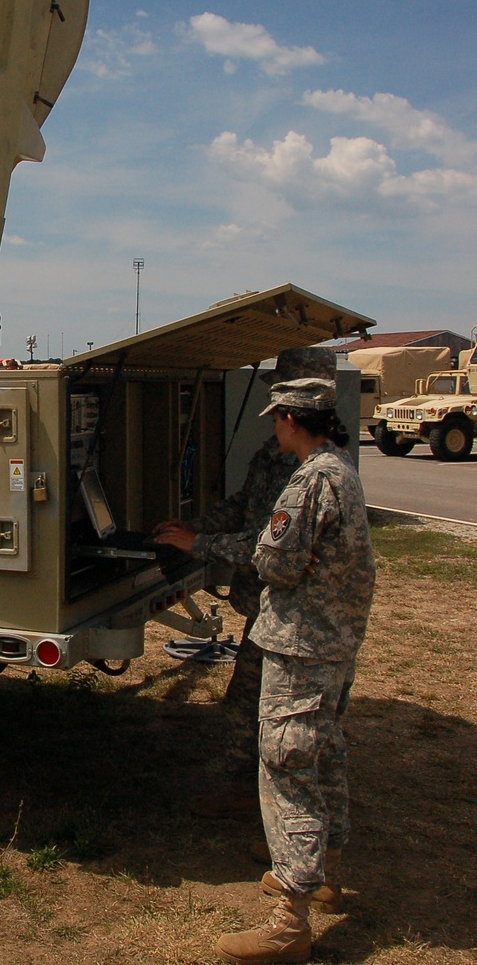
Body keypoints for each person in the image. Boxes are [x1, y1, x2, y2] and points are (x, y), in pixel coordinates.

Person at [216, 376, 375, 965]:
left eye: (276, 418)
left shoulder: (307, 482)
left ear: (289, 417)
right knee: (324, 751)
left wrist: (273, 554)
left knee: (286, 765)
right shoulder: (343, 469)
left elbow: (272, 562)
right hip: (333, 643)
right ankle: (327, 871)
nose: (273, 427)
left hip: (301, 645)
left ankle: (290, 917)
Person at [153, 347, 337, 816]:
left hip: (295, 616)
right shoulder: (278, 457)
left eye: (279, 409)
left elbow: (270, 549)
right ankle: (262, 796)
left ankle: (263, 802)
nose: (273, 418)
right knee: (261, 711)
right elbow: (244, 505)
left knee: (257, 711)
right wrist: (194, 526)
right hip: (271, 610)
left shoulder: (312, 475)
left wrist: (200, 545)